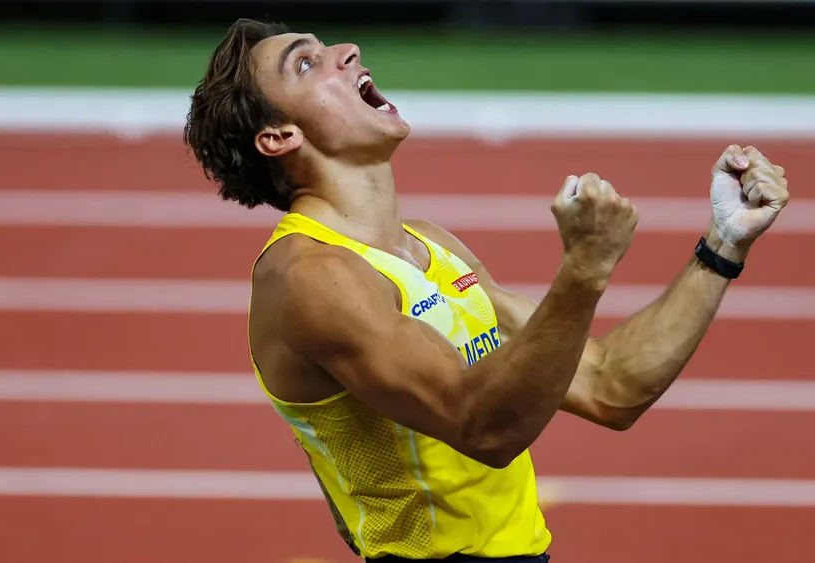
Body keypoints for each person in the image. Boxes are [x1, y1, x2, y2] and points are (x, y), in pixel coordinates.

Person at [182, 18, 791, 563]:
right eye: (306, 64)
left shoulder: (428, 245)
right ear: (278, 136)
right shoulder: (311, 276)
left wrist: (724, 244)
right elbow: (484, 427)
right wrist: (584, 268)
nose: (347, 50)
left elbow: (611, 385)